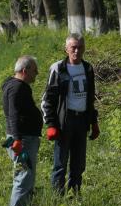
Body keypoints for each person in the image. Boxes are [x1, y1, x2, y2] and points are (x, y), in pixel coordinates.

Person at [41, 33, 100, 195]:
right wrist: (51, 124)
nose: (76, 51)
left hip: (82, 121)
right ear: (66, 48)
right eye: (73, 47)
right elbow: (48, 99)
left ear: (84, 49)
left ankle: (74, 196)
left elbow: (90, 98)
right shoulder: (58, 68)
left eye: (80, 47)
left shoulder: (88, 68)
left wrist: (94, 122)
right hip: (64, 122)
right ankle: (57, 198)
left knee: (79, 164)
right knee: (60, 163)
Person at [1, 55, 43, 206]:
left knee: (26, 174)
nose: (36, 73)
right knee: (23, 176)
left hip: (23, 138)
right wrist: (18, 139)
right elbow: (13, 114)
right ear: (25, 70)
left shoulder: (13, 85)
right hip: (23, 139)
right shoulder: (17, 88)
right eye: (34, 70)